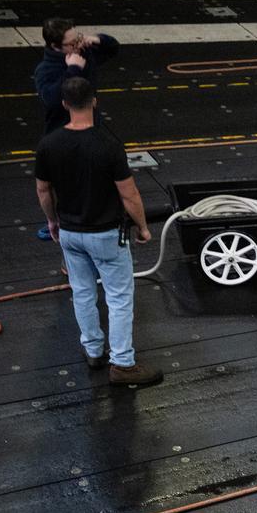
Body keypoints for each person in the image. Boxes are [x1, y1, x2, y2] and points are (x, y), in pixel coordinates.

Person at [34, 77, 159, 386]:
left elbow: (43, 191)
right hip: (105, 234)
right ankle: (122, 364)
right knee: (118, 299)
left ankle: (92, 351)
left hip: (71, 234)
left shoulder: (49, 144)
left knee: (83, 293)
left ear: (63, 104)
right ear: (95, 101)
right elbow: (129, 195)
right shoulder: (108, 143)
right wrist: (142, 227)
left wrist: (53, 222)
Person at [34, 18, 119, 136]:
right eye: (72, 43)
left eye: (78, 38)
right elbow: (51, 100)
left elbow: (113, 49)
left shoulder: (84, 52)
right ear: (55, 46)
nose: (79, 45)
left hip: (91, 126)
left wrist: (99, 39)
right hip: (62, 132)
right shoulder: (46, 69)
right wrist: (73, 69)